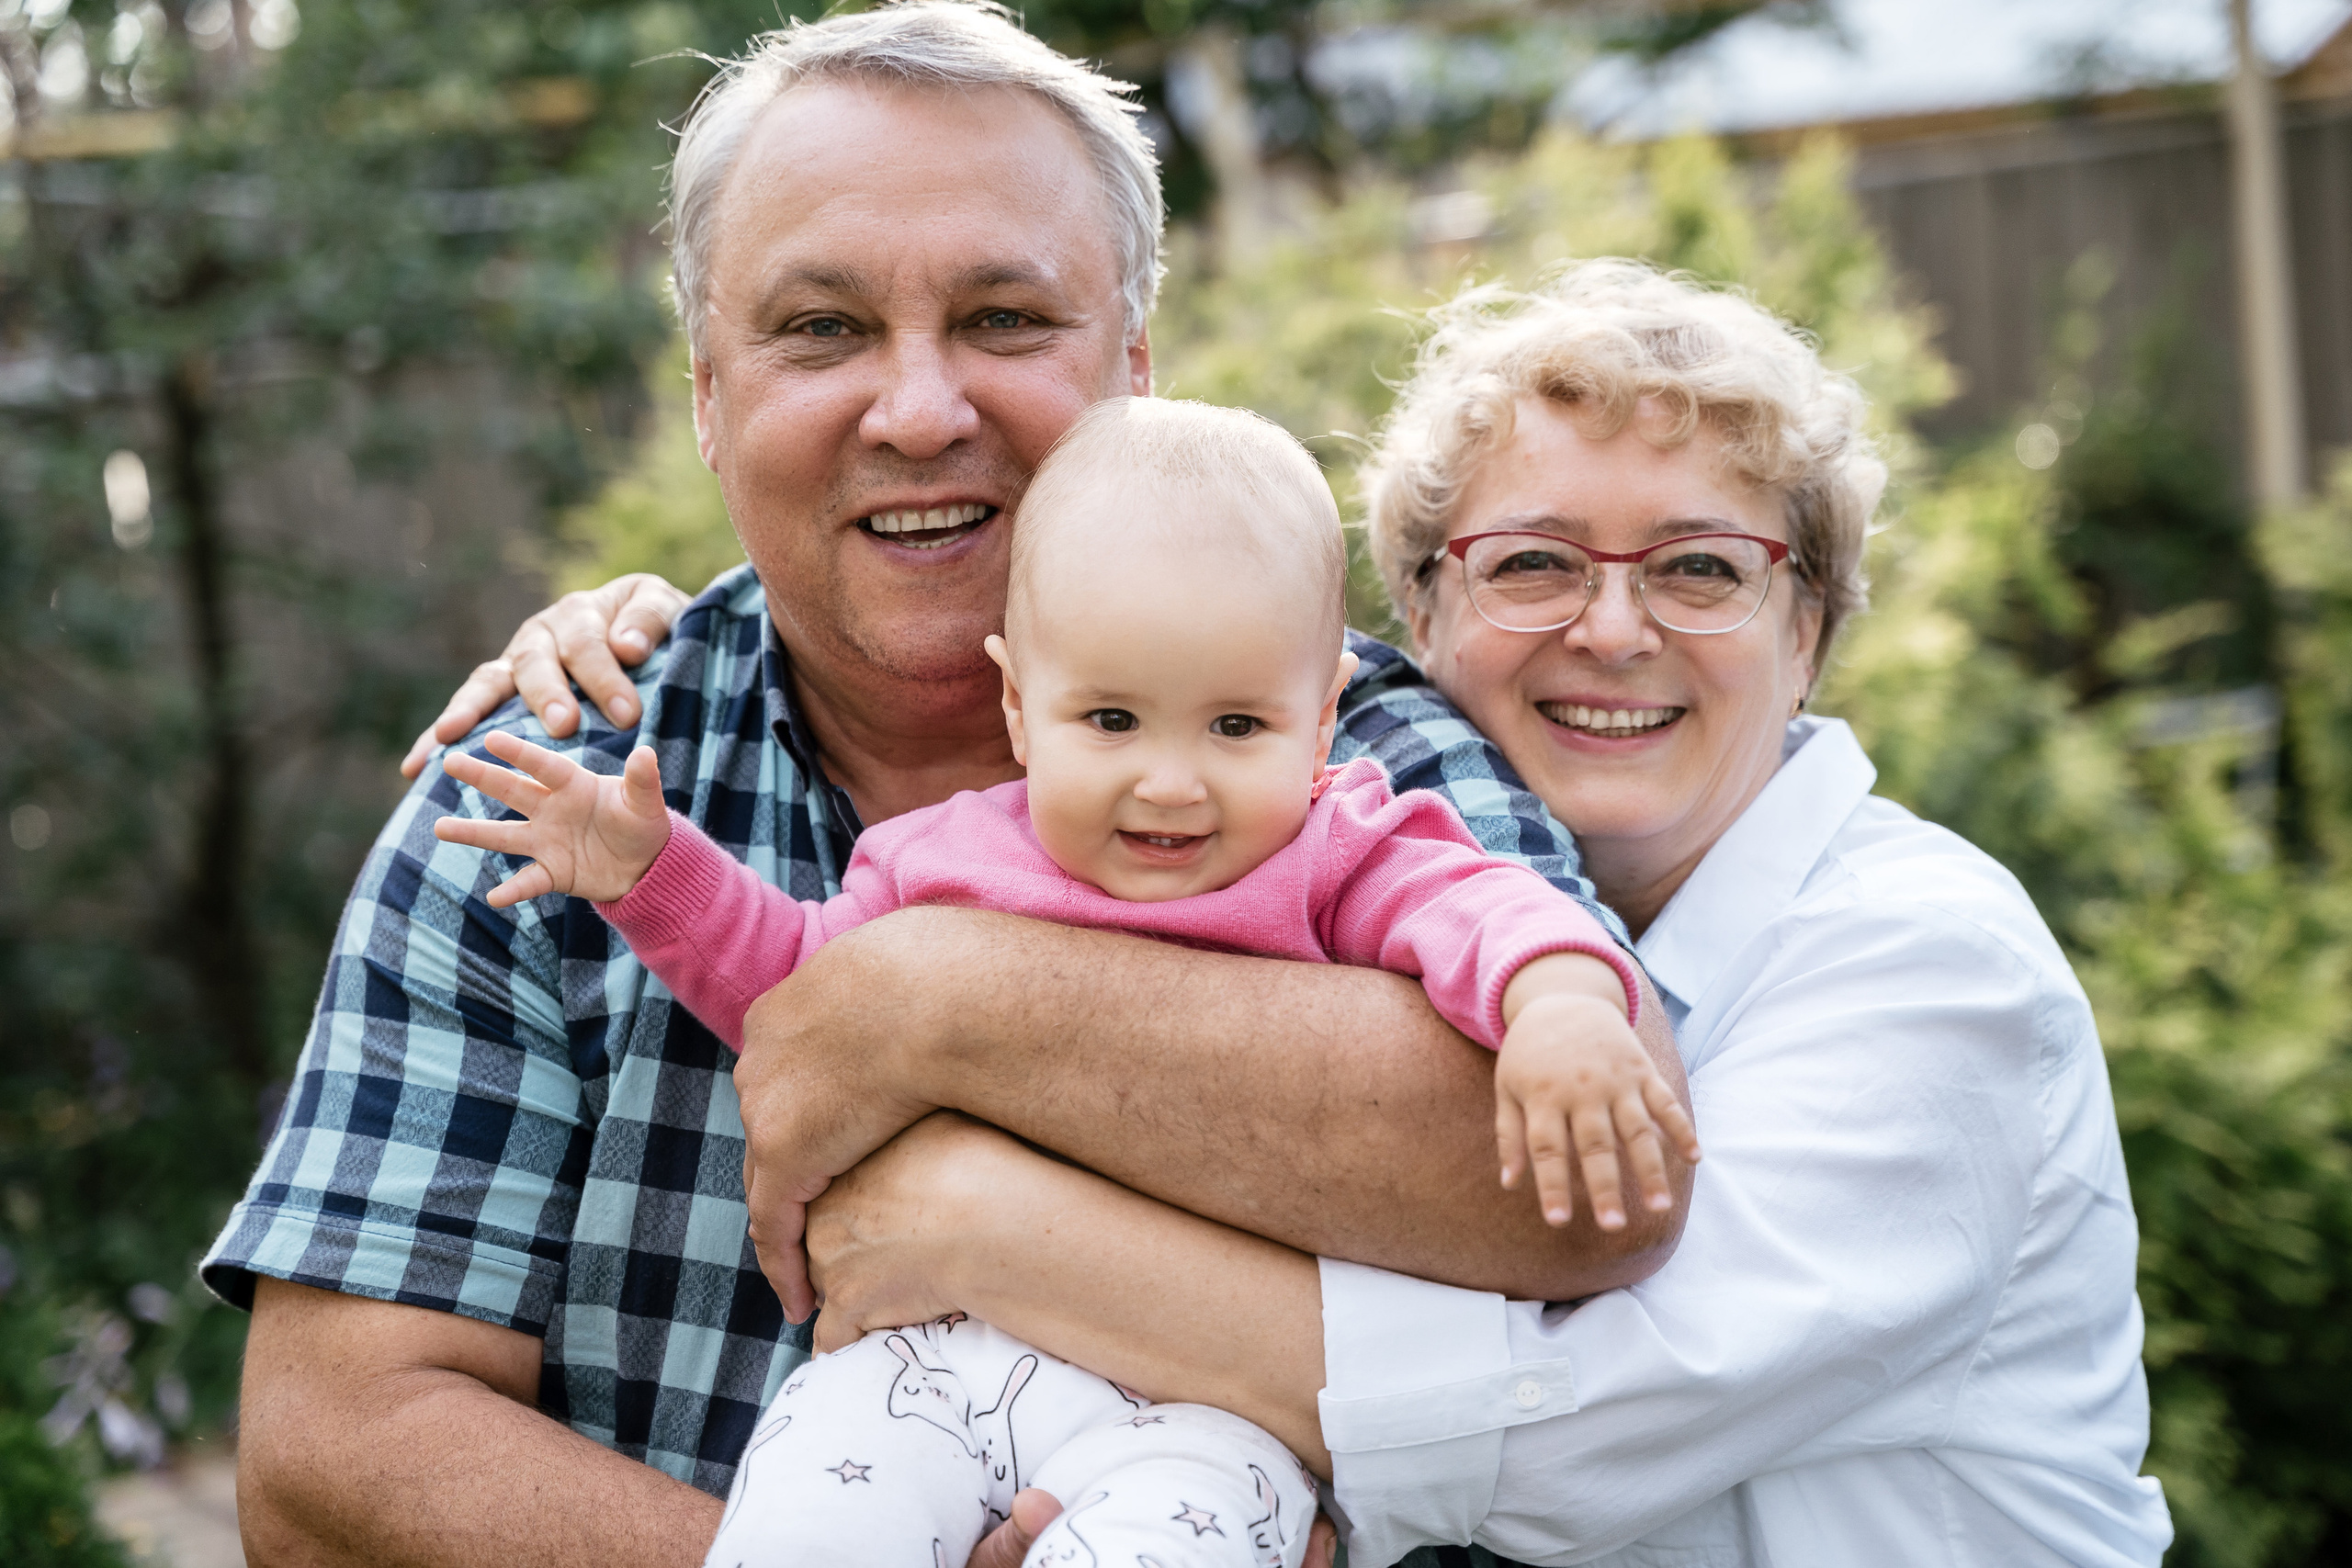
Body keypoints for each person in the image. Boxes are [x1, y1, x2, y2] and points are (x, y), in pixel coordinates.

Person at [204, 9, 1688, 1568]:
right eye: (823, 330)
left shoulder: (1354, 746)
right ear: (709, 395)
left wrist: (950, 996)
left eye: (1001, 319)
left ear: (1131, 369)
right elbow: (326, 1468)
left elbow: (1601, 1196)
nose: (919, 411)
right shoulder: (553, 793)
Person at [473, 261, 2173, 1566]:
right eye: (1531, 564)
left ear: (1814, 630)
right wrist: (646, 781)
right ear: (1414, 624)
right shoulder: (1414, 903)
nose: (1613, 628)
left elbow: (1575, 1437)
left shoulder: (1927, 968)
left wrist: (989, 1233)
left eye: (1704, 568)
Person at [437, 398, 1691, 1568]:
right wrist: (649, 872)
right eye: (1111, 723)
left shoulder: (1340, 844)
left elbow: (1481, 910)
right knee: (810, 1518)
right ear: (1021, 708)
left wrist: (1560, 1005)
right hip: (929, 1369)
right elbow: (793, 990)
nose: (1169, 781)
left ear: (1321, 727)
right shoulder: (946, 856)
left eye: (1236, 728)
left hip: (1216, 1401)